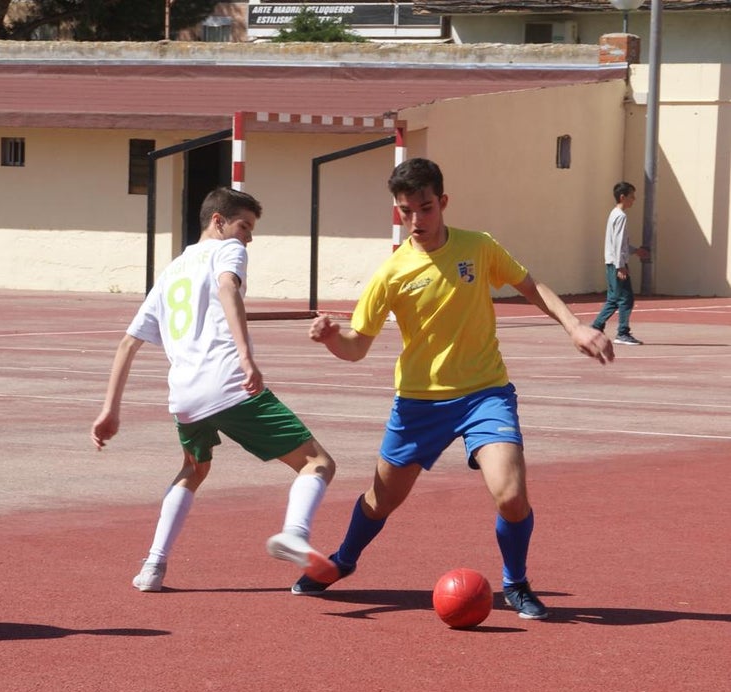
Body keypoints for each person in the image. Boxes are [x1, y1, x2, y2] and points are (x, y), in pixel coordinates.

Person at [292, 158, 614, 620]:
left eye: (425, 208)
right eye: (406, 211)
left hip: (486, 394)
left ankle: (516, 582)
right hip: (418, 405)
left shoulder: (478, 247)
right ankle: (342, 560)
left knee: (511, 494)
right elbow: (356, 347)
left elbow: (530, 285)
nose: (417, 220)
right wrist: (330, 339)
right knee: (381, 501)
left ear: (442, 202)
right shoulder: (392, 272)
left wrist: (575, 326)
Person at [90, 187, 340, 592]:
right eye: (245, 227)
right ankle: (294, 533)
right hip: (229, 384)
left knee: (193, 469)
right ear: (218, 222)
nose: (249, 238)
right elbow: (227, 288)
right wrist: (245, 357)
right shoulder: (227, 250)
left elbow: (128, 343)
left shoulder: (170, 272)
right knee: (317, 463)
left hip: (185, 398)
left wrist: (109, 410)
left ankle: (152, 567)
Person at [591, 181, 650, 345]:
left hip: (612, 262)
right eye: (632, 196)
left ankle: (596, 327)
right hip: (617, 264)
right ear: (622, 197)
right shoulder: (621, 216)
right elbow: (617, 244)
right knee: (626, 298)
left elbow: (620, 243)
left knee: (614, 298)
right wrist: (621, 266)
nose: (634, 199)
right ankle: (622, 333)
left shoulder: (614, 214)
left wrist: (635, 251)